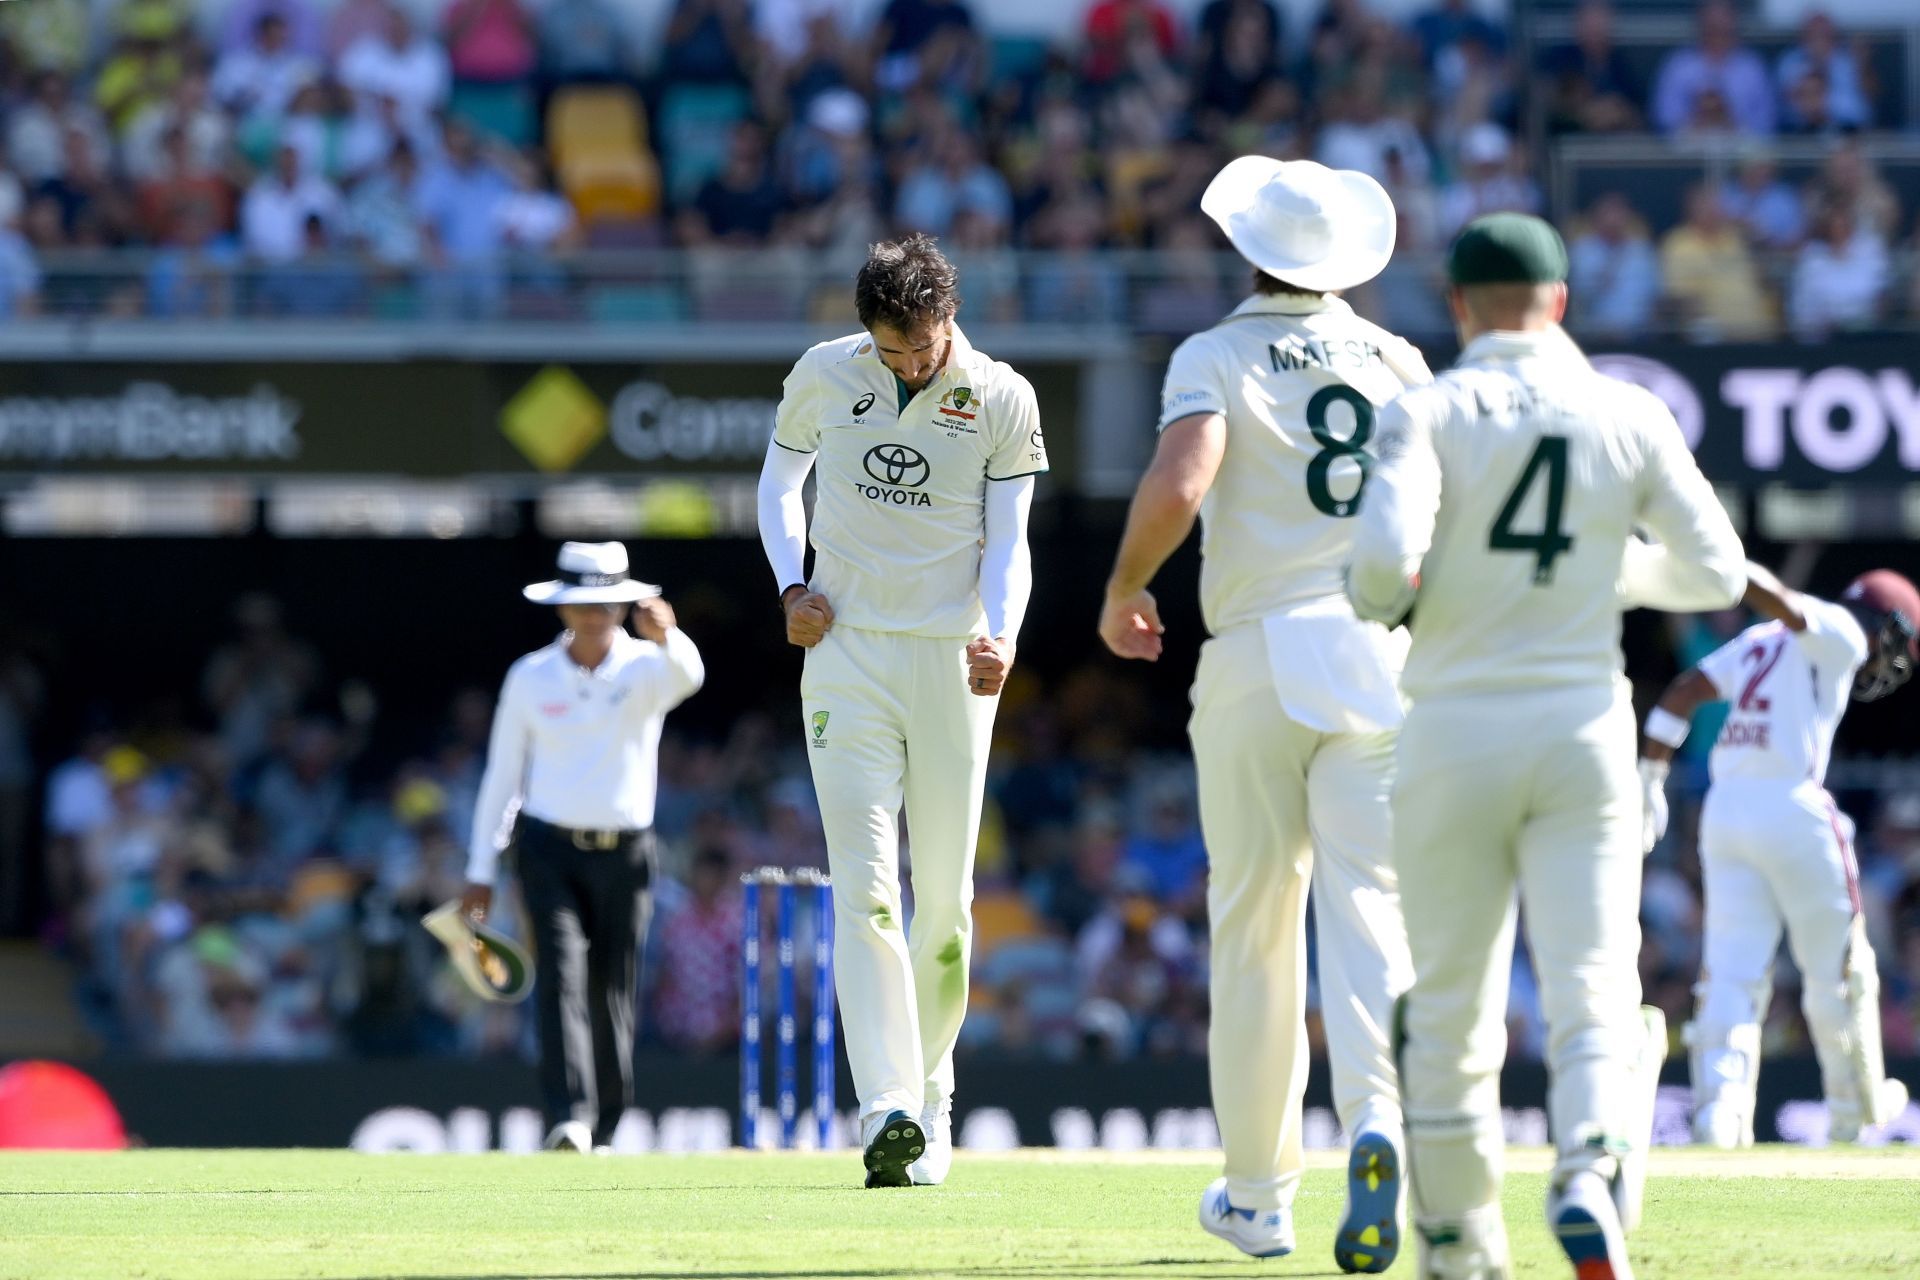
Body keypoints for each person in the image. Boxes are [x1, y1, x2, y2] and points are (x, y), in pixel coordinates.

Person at [1347, 213, 1745, 1280]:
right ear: (1561, 301)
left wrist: (1403, 598)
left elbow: (1382, 565)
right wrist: (1613, 575)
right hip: (1583, 726)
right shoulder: (1631, 409)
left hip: (1454, 727)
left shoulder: (1428, 408)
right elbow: (1715, 572)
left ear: (1460, 303)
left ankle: (1459, 1240)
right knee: (1594, 982)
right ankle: (1588, 1163)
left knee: (1449, 1004)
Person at [1098, 156, 1430, 1272]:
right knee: (1374, 917)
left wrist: (1124, 587)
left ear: (1248, 252)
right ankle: (1381, 1122)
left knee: (1254, 929)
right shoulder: (1399, 358)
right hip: (1382, 650)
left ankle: (1258, 1195)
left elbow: (1185, 478)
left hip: (1259, 652)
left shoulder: (1216, 352)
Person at [756, 233, 1044, 1188]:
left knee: (948, 909)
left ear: (948, 319)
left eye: (921, 348)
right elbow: (779, 483)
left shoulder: (1002, 395)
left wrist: (1001, 631)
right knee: (867, 890)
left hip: (950, 660)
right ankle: (884, 1109)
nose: (910, 366)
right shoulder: (823, 374)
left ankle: (932, 1099)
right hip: (844, 656)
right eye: (892, 351)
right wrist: (792, 586)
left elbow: (1010, 538)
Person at [1640, 562, 1917, 1149]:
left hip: (1725, 810)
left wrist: (1650, 776)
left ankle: (1719, 1115)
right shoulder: (1840, 627)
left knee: (1731, 977)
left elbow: (1685, 692)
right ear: (1884, 623)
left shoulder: (1761, 641)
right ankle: (1853, 1114)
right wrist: (1716, 557)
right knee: (1839, 972)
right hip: (1791, 804)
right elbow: (1787, 605)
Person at [461, 542, 704, 1153]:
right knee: (561, 979)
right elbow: (502, 774)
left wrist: (668, 633)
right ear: (562, 607)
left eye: (606, 604)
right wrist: (479, 867)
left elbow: (690, 676)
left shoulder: (647, 668)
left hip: (627, 851)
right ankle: (568, 1114)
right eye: (582, 604)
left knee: (613, 987)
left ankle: (608, 1121)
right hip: (548, 847)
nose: (594, 617)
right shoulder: (530, 675)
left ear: (624, 605)